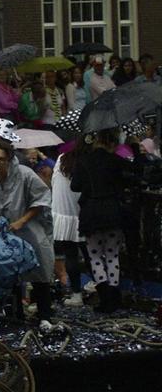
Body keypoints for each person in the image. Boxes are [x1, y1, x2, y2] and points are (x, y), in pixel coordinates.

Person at [0, 141, 55, 331]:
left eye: (1, 159)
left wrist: (22, 220)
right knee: (9, 273)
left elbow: (41, 199)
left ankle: (45, 315)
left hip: (29, 228)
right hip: (6, 232)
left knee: (40, 272)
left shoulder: (25, 175)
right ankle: (15, 314)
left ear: (9, 160)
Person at [71, 129, 131, 313]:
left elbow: (75, 186)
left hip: (91, 213)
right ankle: (114, 296)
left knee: (95, 256)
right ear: (112, 143)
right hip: (113, 211)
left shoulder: (83, 161)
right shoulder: (116, 161)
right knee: (112, 254)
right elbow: (128, 179)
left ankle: (105, 298)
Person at [52, 139, 91, 307]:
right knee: (91, 254)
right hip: (82, 214)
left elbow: (54, 183)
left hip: (62, 214)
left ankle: (76, 294)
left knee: (70, 256)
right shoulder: (88, 164)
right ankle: (99, 285)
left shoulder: (61, 159)